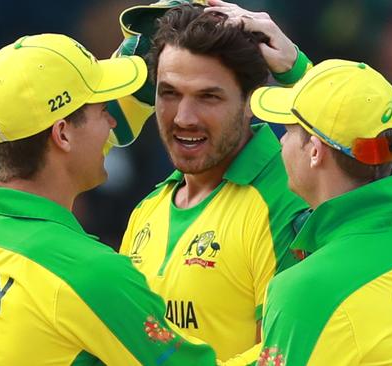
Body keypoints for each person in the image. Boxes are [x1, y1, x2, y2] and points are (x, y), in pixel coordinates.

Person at [0, 33, 217, 365]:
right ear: (61, 134)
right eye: (103, 109)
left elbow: (54, 146)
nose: (113, 120)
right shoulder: (91, 274)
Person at [118, 1, 311, 362]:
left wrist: (297, 69)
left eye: (208, 96)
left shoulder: (288, 200)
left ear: (253, 100)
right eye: (169, 93)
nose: (183, 118)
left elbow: (291, 353)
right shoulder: (148, 209)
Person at [250, 59, 392, 365]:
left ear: (314, 151)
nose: (281, 140)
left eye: (289, 129)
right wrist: (299, 66)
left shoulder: (304, 291)